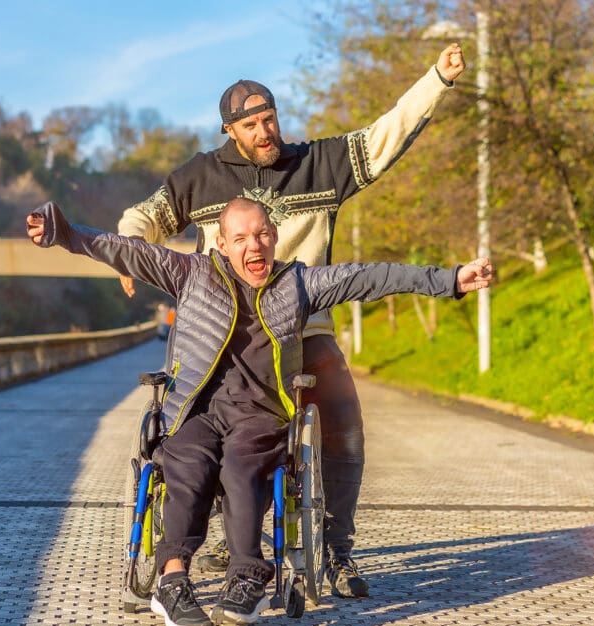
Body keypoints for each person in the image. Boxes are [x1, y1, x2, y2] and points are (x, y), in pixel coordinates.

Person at [26, 197, 493, 626]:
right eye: (243, 238)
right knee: (187, 464)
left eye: (263, 235)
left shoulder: (298, 284)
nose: (255, 246)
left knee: (242, 466)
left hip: (260, 413)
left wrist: (449, 280)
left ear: (274, 236)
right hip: (197, 409)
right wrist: (62, 231)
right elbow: (122, 249)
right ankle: (172, 582)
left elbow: (370, 276)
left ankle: (246, 577)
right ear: (222, 245)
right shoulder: (189, 274)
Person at [113, 44, 467, 598]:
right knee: (210, 429)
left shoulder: (317, 164)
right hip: (227, 339)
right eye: (251, 123)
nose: (265, 129)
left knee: (344, 423)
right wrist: (133, 249)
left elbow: (386, 135)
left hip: (307, 329)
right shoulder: (200, 177)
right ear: (231, 129)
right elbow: (145, 216)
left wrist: (436, 80)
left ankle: (337, 550)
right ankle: (218, 542)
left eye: (270, 118)